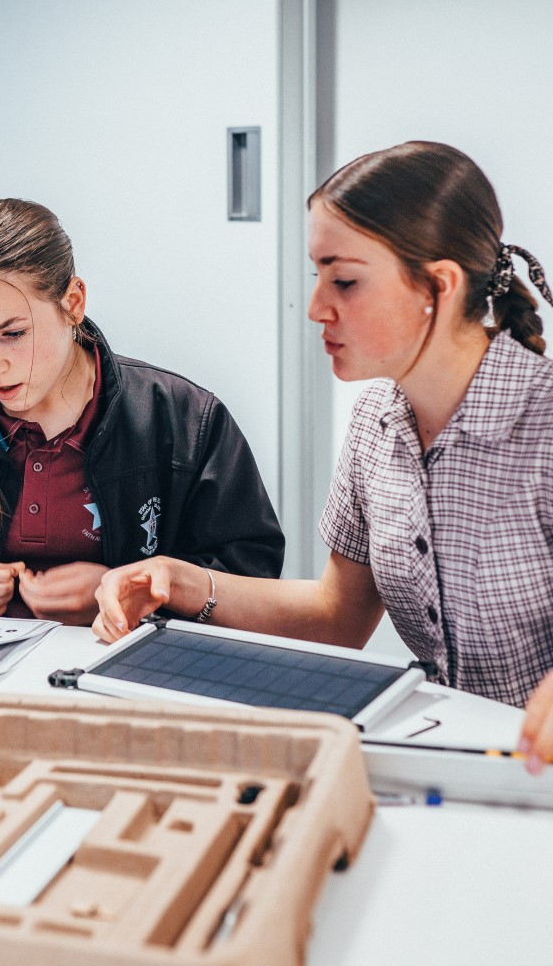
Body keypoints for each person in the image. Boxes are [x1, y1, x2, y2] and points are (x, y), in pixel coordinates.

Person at [94, 141, 553, 772]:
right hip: (460, 762)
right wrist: (183, 581)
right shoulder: (376, 421)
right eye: (317, 276)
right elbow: (338, 617)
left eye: (344, 280)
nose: (316, 308)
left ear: (439, 287)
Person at [0, 198, 283, 625]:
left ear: (73, 302)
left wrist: (133, 595)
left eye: (13, 333)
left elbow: (249, 574)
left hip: (125, 674)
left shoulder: (184, 418)